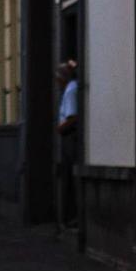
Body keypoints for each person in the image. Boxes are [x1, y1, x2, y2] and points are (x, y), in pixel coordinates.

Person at [56, 59, 80, 232]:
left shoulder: (71, 90)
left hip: (70, 137)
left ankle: (72, 217)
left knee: (70, 175)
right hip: (69, 137)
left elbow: (72, 117)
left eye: (58, 76)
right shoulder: (70, 89)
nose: (57, 80)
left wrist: (59, 127)